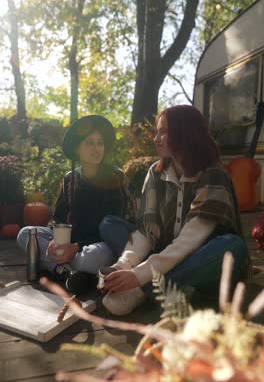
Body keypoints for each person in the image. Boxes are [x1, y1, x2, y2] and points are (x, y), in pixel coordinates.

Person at [99, 105, 250, 316]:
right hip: (165, 251)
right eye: (157, 132)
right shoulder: (156, 172)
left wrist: (139, 276)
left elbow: (192, 238)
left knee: (232, 246)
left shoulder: (213, 173)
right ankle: (167, 284)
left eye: (163, 132)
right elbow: (146, 231)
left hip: (202, 261)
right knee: (109, 223)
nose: (156, 138)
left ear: (185, 133)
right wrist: (123, 265)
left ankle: (143, 290)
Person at [17, 115, 132, 292]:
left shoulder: (115, 177)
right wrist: (55, 241)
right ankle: (70, 272)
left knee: (96, 256)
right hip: (70, 241)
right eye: (89, 143)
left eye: (100, 143)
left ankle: (62, 269)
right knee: (26, 234)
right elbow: (59, 217)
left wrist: (76, 247)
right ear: (77, 149)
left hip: (98, 244)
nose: (96, 149)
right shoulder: (70, 179)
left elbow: (114, 226)